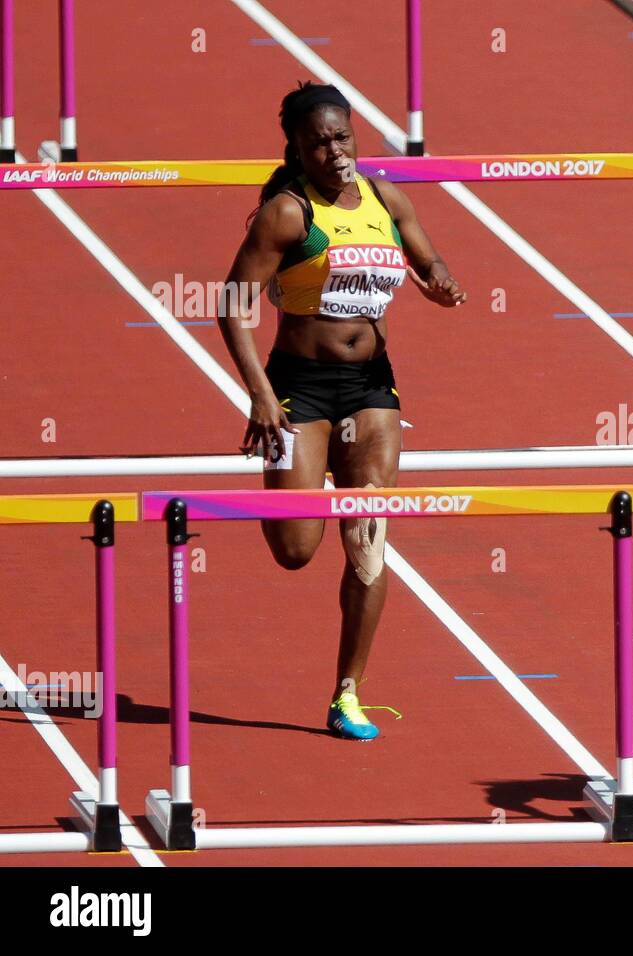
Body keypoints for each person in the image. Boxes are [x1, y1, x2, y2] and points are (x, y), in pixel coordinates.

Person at [216, 82, 466, 740]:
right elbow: (232, 304)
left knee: (368, 541)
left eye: (342, 137)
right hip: (296, 386)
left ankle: (347, 693)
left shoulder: (387, 198)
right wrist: (260, 395)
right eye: (319, 143)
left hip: (371, 385)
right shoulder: (286, 214)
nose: (334, 151)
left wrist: (439, 282)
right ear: (297, 152)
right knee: (296, 550)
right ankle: (293, 482)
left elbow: (428, 255)